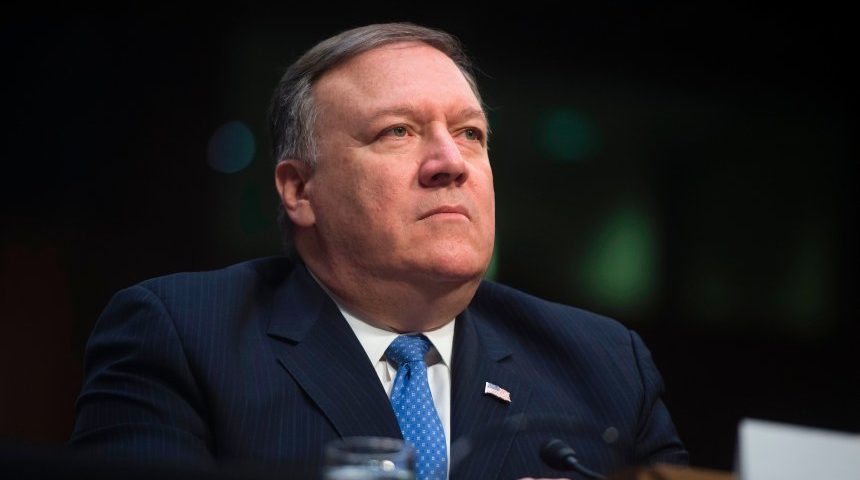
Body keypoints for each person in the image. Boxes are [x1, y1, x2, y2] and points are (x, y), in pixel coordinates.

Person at [70, 23, 688, 479]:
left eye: (471, 133)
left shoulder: (604, 365)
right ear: (299, 189)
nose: (450, 162)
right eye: (398, 131)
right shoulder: (182, 336)